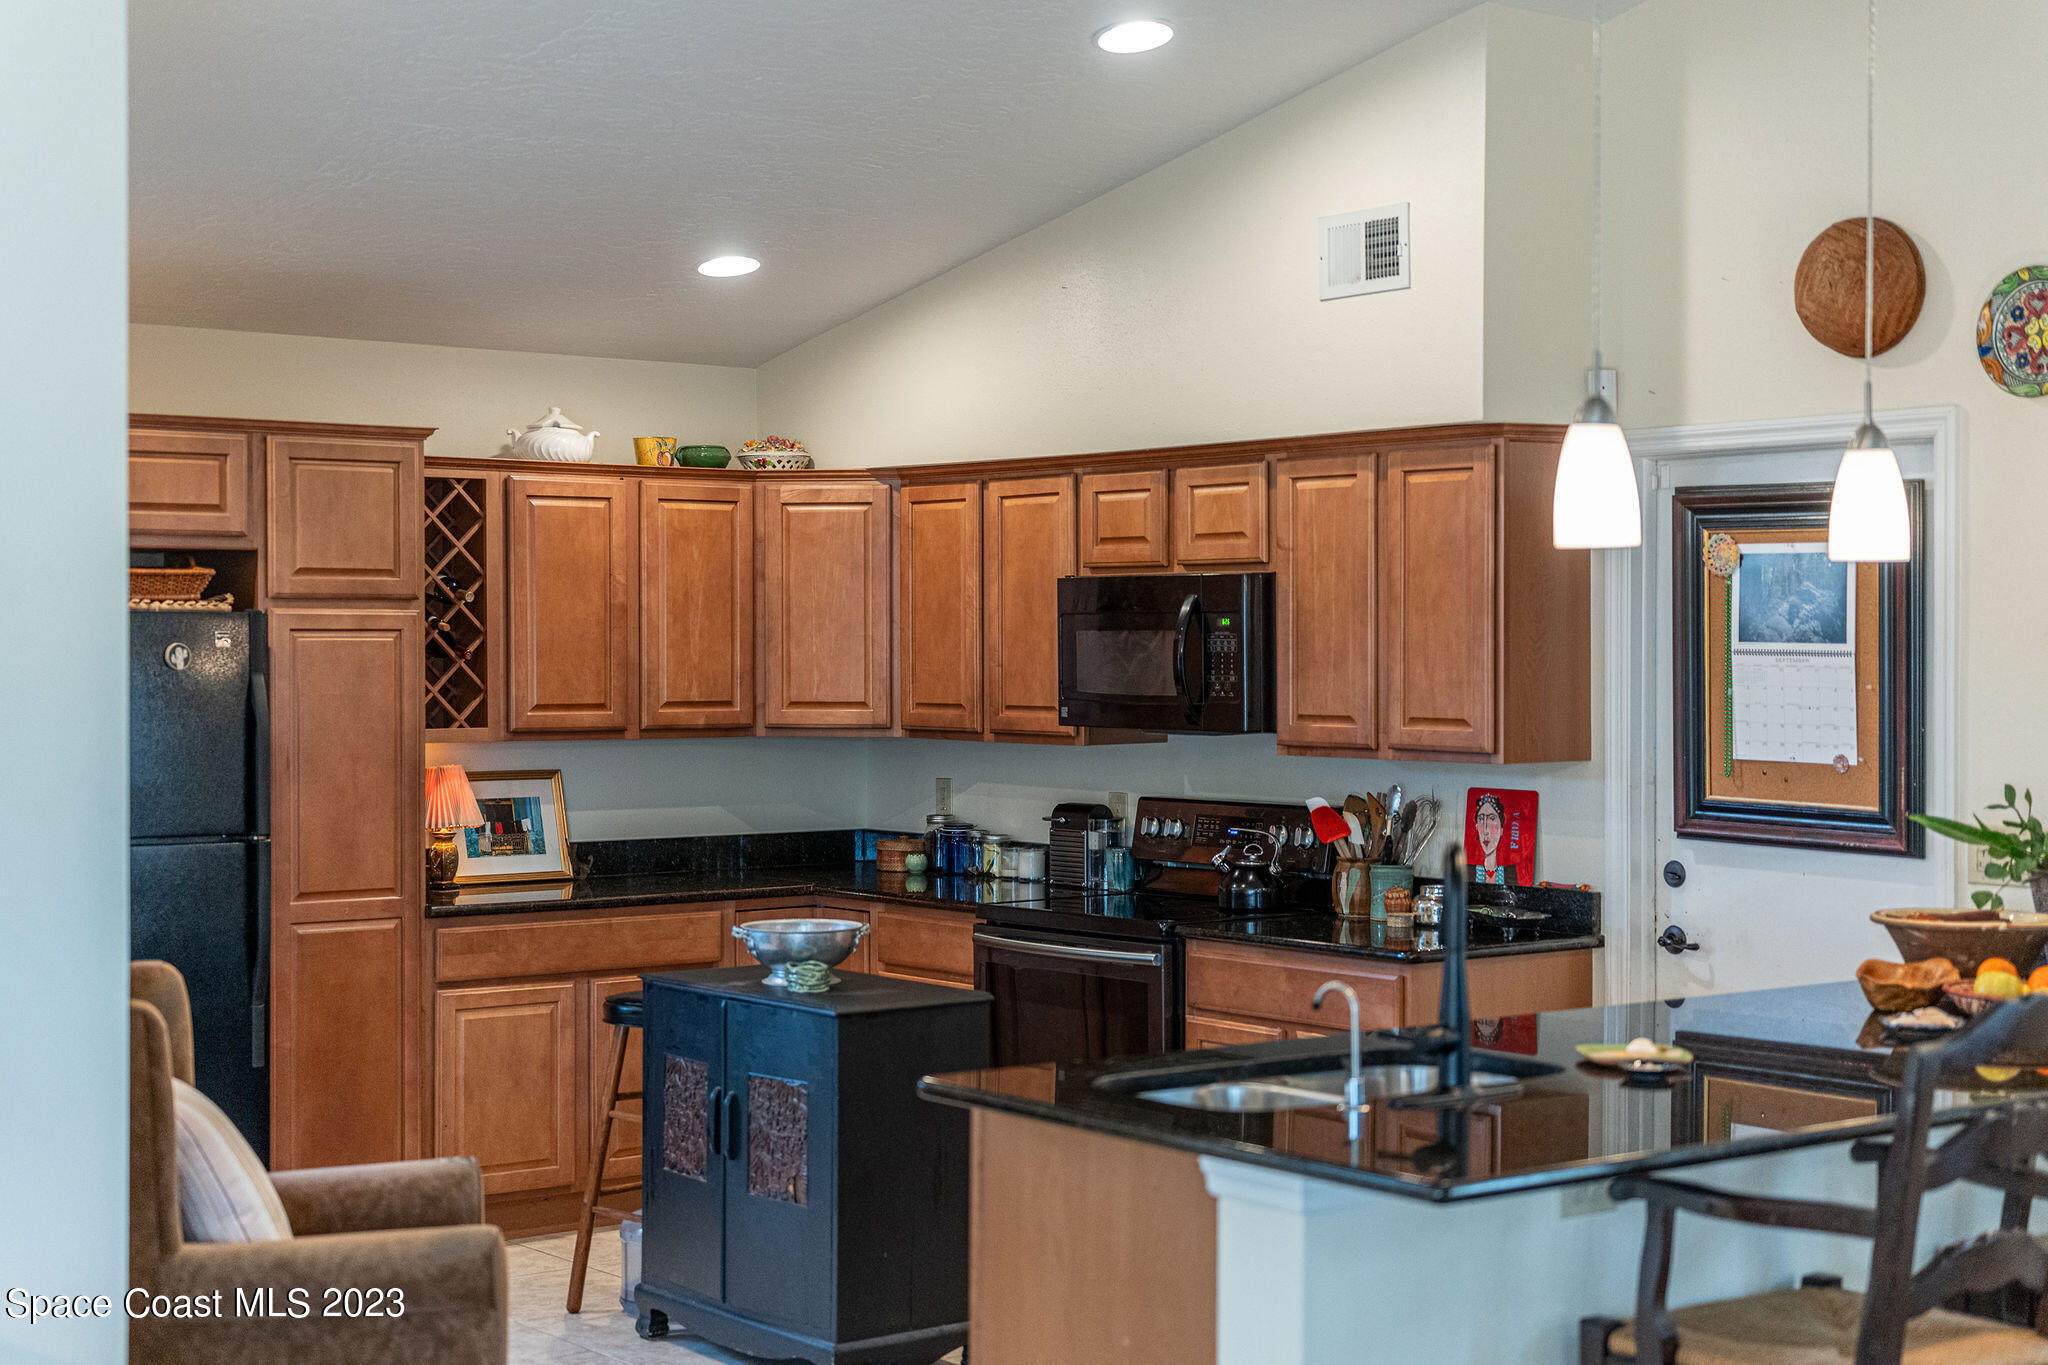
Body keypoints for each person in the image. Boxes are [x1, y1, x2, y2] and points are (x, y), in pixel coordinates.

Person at [1472, 792, 1517, 886]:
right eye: (1480, 819)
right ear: (1476, 826)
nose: (1485, 830)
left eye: (1492, 819)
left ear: (1501, 829)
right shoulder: (1469, 872)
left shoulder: (1510, 873)